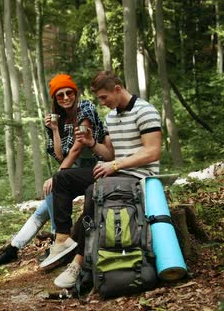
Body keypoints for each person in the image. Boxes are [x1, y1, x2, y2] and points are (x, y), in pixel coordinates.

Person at [49, 70, 162, 288]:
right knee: (62, 178)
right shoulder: (111, 116)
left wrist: (116, 165)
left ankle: (78, 262)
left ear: (117, 89)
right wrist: (92, 143)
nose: (102, 103)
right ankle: (63, 239)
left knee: (95, 191)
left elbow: (153, 152)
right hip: (115, 172)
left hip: (139, 177)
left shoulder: (145, 110)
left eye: (104, 97)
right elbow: (109, 154)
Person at [0, 74, 109, 265]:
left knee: (53, 190)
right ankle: (13, 248)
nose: (65, 98)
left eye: (68, 92)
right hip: (73, 172)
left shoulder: (85, 108)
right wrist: (54, 129)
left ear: (75, 93)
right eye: (60, 95)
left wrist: (58, 175)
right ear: (55, 99)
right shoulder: (58, 119)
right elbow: (61, 156)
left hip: (98, 167)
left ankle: (56, 243)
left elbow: (78, 147)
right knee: (43, 209)